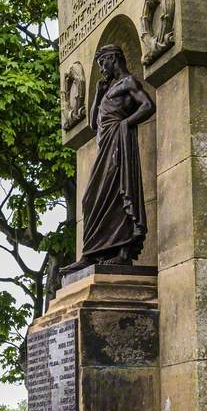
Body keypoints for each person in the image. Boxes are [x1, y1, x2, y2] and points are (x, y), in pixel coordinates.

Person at [66, 44, 155, 271]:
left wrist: (125, 124)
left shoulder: (129, 83)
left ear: (113, 58)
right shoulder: (107, 89)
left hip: (119, 143)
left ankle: (123, 251)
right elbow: (94, 123)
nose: (102, 68)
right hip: (105, 145)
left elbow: (148, 105)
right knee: (90, 199)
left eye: (103, 62)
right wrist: (97, 92)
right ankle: (92, 253)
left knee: (117, 192)